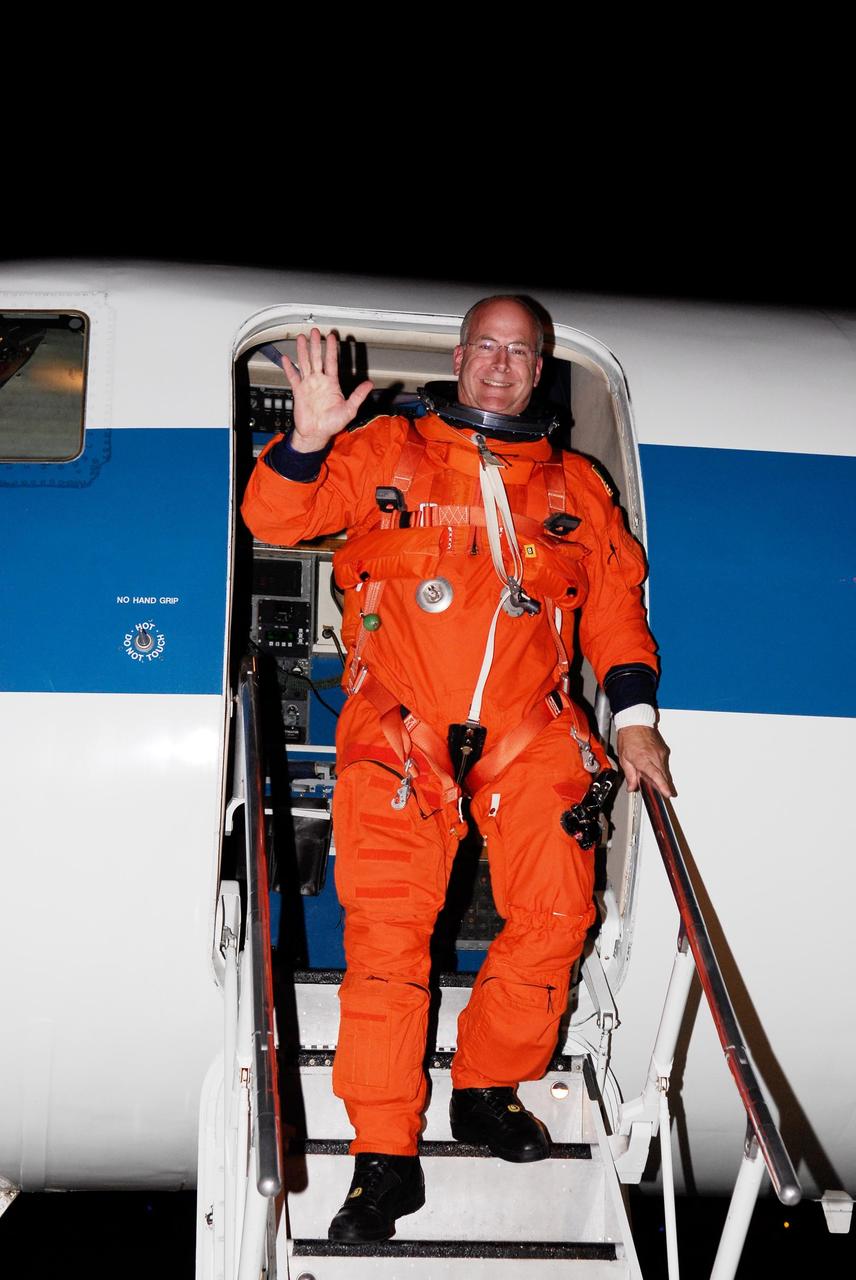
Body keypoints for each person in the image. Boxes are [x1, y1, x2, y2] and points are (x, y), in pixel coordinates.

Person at [241, 296, 674, 1242]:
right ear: (461, 352)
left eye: (521, 351)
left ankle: (486, 1086)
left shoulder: (574, 487)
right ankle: (384, 1161)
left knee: (558, 914)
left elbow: (614, 610)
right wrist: (308, 441)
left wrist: (637, 721)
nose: (501, 364)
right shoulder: (389, 452)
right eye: (488, 346)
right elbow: (276, 513)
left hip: (530, 728)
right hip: (399, 732)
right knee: (389, 946)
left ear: (540, 368)